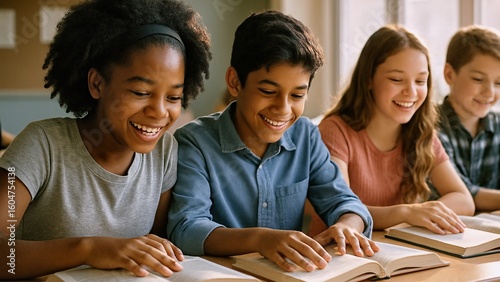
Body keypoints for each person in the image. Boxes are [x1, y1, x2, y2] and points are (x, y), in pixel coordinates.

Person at [0, 0, 211, 279]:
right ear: (97, 84)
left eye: (173, 97)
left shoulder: (164, 152)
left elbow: (154, 246)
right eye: (140, 92)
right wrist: (88, 249)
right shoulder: (41, 145)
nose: (160, 111)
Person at [167, 10, 379, 274]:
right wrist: (261, 239)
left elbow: (345, 202)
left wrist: (347, 224)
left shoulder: (306, 136)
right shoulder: (195, 142)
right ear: (235, 82)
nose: (283, 108)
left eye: (297, 95)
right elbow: (186, 229)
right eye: (268, 92)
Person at [318, 24, 475, 235]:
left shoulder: (422, 132)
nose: (411, 92)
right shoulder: (335, 131)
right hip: (342, 256)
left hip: (400, 253)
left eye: (420, 81)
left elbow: (464, 199)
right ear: (368, 79)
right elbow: (340, 210)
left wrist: (428, 212)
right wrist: (406, 213)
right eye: (396, 79)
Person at [436, 25, 500, 212]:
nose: (489, 92)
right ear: (449, 75)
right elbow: (466, 193)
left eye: (499, 83)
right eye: (478, 79)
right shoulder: (431, 127)